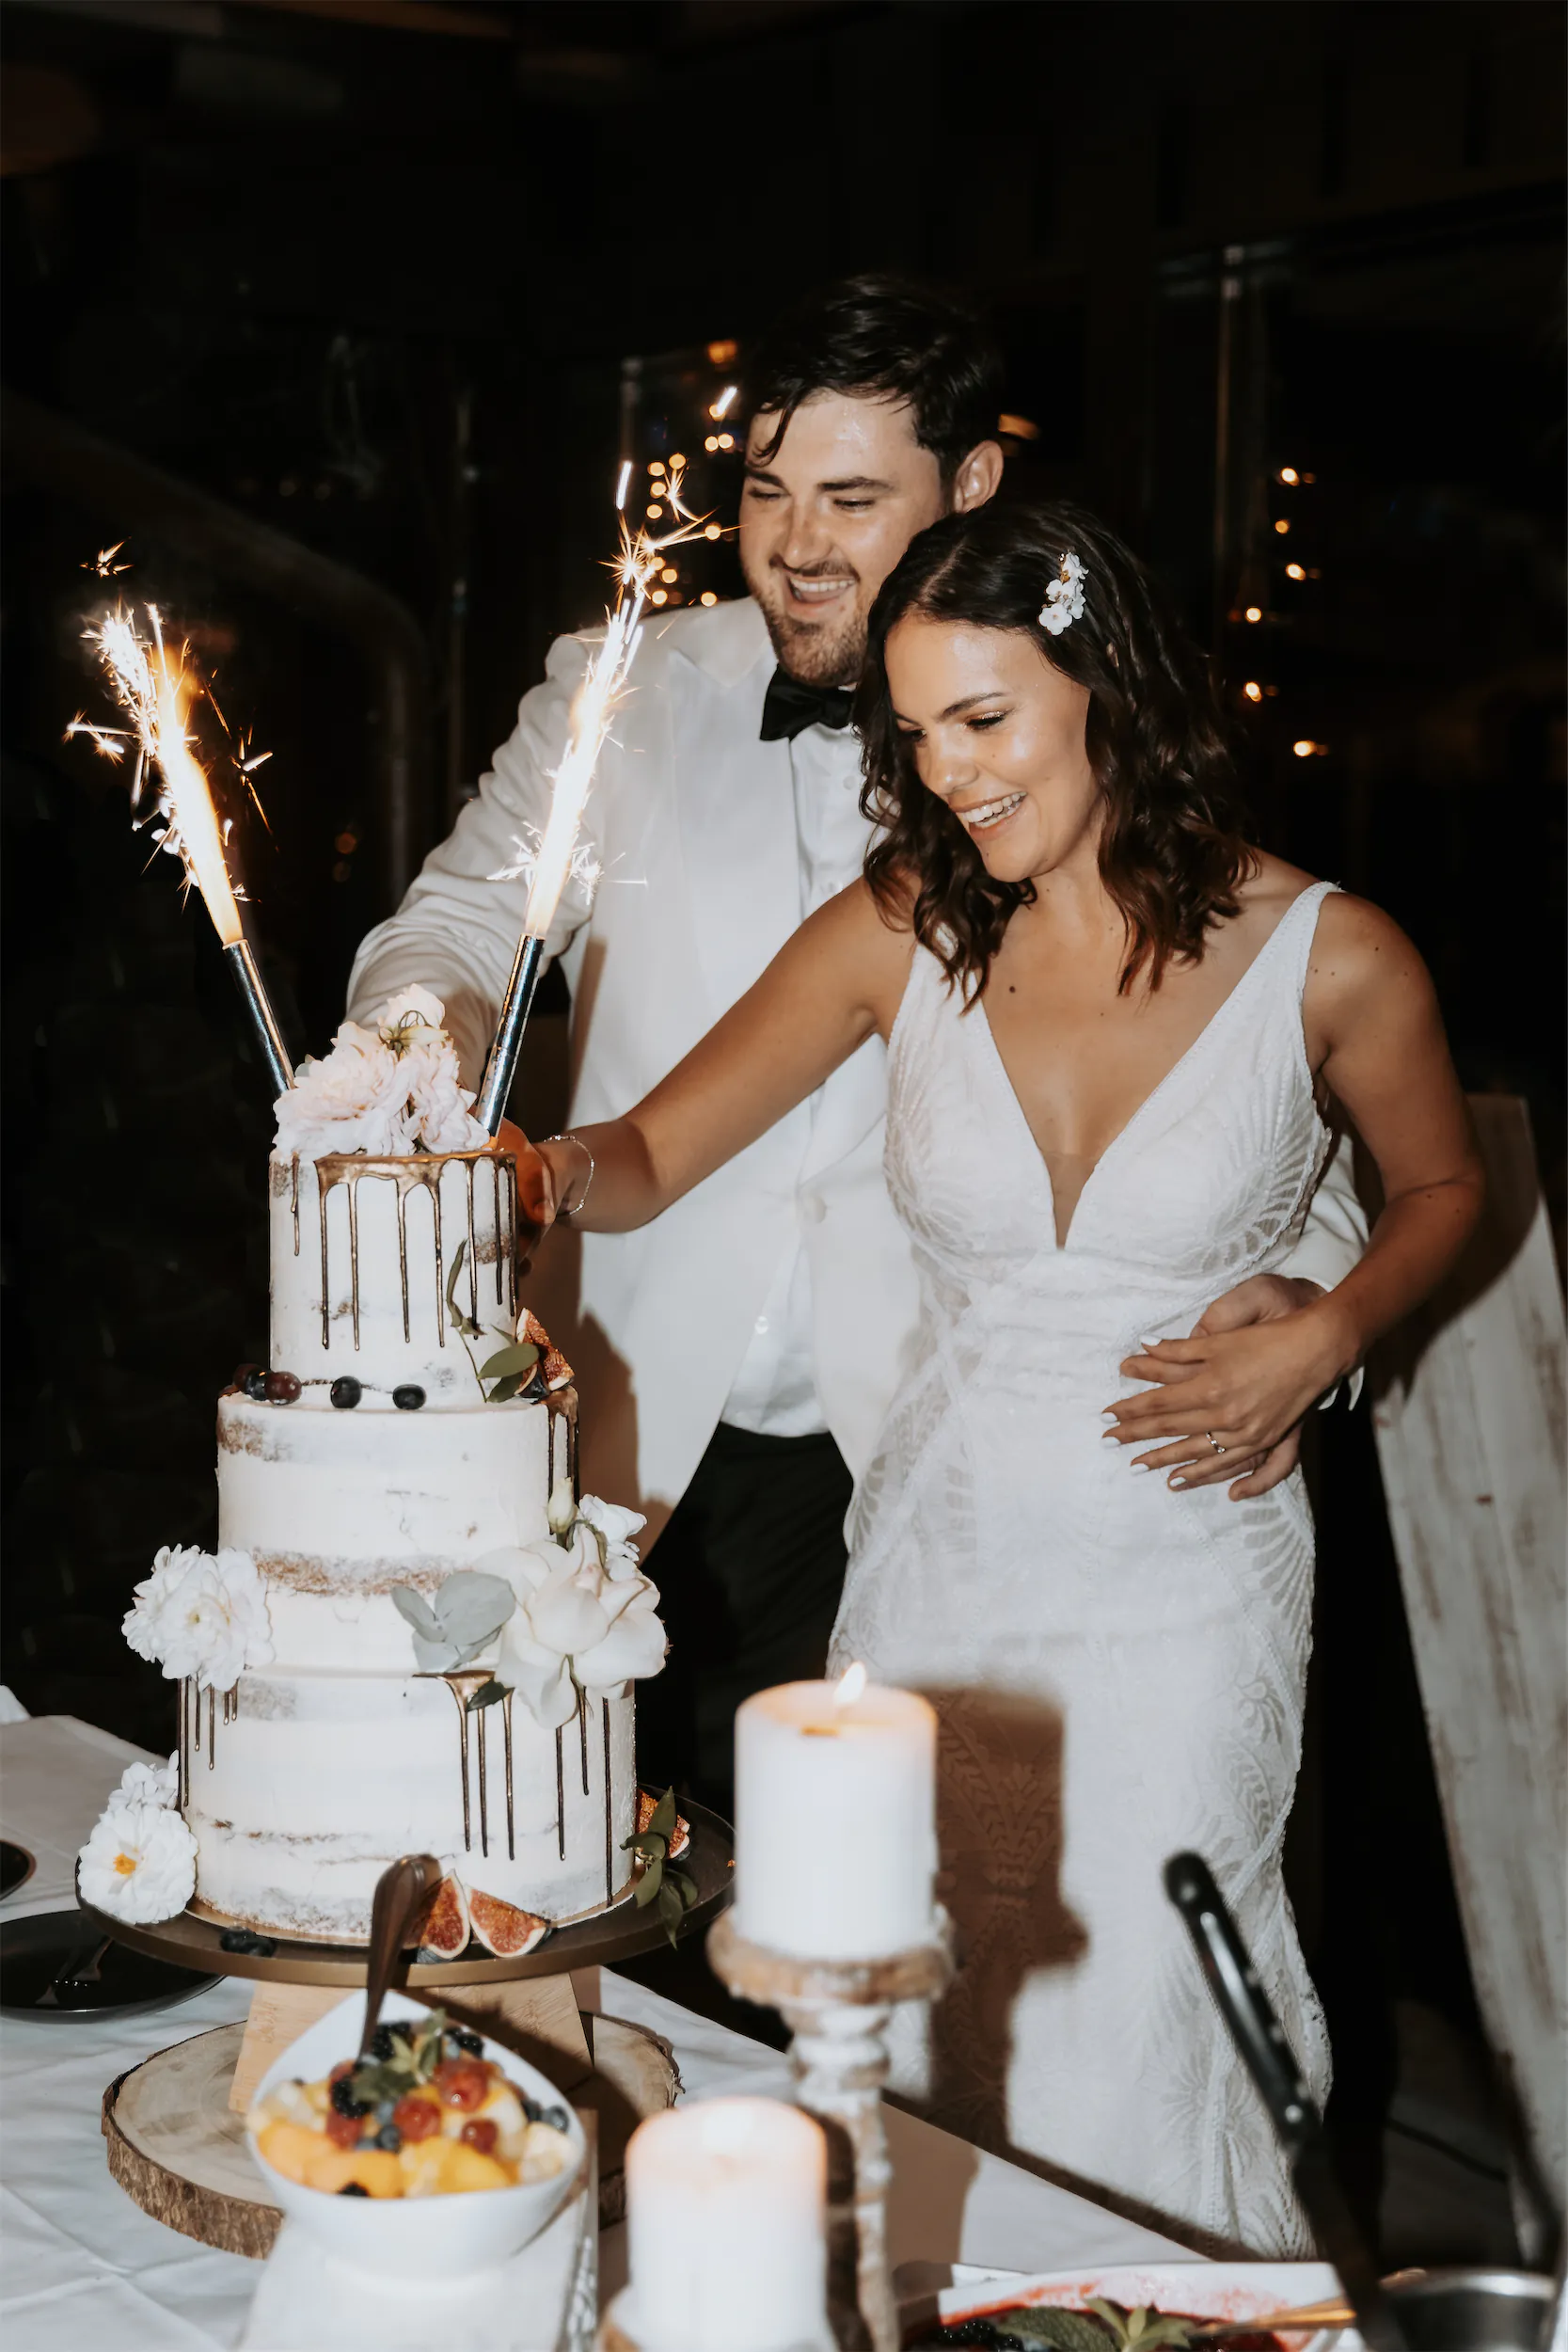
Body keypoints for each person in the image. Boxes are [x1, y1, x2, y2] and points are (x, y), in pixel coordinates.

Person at [506, 500, 1484, 2251]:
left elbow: (1438, 1191)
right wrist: (526, 1171)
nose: (946, 773)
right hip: (941, 1566)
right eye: (916, 732)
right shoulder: (901, 925)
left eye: (985, 720)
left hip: (1187, 1572)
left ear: (1106, 686)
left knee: (1139, 2012)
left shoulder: (1334, 955)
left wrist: (1335, 1333)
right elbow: (652, 1149)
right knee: (936, 2006)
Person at [348, 275, 1367, 1816]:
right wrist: (409, 1052)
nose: (794, 546)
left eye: (848, 498)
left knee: (880, 1910)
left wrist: (1313, 1306)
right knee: (584, 1873)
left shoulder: (1074, 740)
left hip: (934, 1449)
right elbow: (463, 920)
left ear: (969, 487)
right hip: (628, 1418)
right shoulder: (623, 686)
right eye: (763, 491)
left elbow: (1255, 1063)